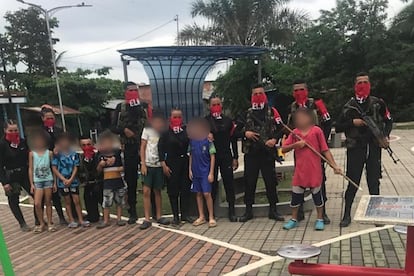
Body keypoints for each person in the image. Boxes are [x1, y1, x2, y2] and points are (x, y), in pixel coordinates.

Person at [336, 72, 393, 227]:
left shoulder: (378, 103)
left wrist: (385, 136)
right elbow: (338, 126)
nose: (362, 85)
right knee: (353, 182)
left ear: (370, 84)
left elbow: (388, 120)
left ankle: (376, 215)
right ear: (355, 86)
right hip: (355, 149)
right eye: (359, 82)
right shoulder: (349, 106)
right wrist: (352, 123)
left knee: (374, 181)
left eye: (365, 82)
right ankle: (346, 214)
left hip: (374, 147)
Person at [282, 109, 341, 231]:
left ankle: (319, 219)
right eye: (298, 118)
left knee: (317, 197)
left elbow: (325, 150)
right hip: (300, 172)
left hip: (314, 171)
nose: (300, 120)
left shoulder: (317, 131)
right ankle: (294, 219)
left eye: (302, 117)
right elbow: (284, 149)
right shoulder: (295, 133)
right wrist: (296, 145)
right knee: (295, 198)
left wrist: (334, 165)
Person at [287, 80, 332, 224]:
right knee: (300, 180)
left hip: (316, 150)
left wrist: (320, 142)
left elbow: (328, 122)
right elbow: (289, 126)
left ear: (306, 90)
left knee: (319, 182)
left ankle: (322, 214)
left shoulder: (316, 104)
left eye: (301, 89)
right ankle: (298, 213)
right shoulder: (293, 107)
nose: (298, 93)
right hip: (299, 150)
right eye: (296, 90)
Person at [239, 84, 285, 222]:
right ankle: (248, 211)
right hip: (251, 154)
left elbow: (281, 128)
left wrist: (274, 140)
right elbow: (236, 130)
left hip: (267, 153)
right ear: (251, 96)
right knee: (250, 182)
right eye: (255, 94)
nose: (258, 96)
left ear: (264, 95)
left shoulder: (272, 111)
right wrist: (245, 133)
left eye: (260, 93)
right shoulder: (246, 113)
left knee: (270, 182)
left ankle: (273, 210)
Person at [112, 82, 147, 224]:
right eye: (130, 90)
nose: (133, 92)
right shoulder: (121, 107)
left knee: (148, 178)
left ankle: (151, 212)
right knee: (131, 179)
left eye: (135, 90)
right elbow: (113, 126)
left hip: (143, 146)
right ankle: (132, 210)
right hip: (129, 147)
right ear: (125, 92)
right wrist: (124, 131)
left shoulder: (142, 107)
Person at [0, 120, 38, 231]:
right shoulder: (2, 145)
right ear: (5, 130)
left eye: (15, 130)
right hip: (10, 176)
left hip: (25, 173)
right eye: (10, 130)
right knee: (13, 200)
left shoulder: (22, 142)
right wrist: (4, 182)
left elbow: (29, 158)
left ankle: (38, 219)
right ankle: (22, 223)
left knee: (37, 195)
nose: (13, 132)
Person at [205, 96, 239, 222]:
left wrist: (235, 157)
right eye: (213, 104)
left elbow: (233, 140)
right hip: (211, 157)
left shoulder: (228, 121)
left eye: (218, 104)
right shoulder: (206, 121)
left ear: (222, 105)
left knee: (229, 183)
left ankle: (232, 212)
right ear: (209, 106)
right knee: (212, 184)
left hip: (226, 155)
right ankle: (211, 213)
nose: (216, 106)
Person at [158, 108, 193, 225]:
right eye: (175, 117)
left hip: (184, 162)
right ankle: (175, 216)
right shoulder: (165, 133)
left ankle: (185, 214)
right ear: (170, 119)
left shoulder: (185, 131)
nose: (177, 119)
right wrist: (163, 164)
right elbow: (160, 148)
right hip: (171, 164)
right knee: (173, 190)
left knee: (185, 189)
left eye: (179, 117)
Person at [52, 133, 90, 228]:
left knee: (77, 200)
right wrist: (63, 179)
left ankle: (81, 219)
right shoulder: (57, 154)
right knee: (67, 201)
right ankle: (71, 220)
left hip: (73, 181)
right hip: (62, 182)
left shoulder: (73, 153)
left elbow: (75, 167)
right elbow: (54, 168)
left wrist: (71, 178)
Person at [140, 113, 170, 230]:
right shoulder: (147, 130)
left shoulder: (163, 131)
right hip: (148, 164)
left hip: (158, 164)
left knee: (157, 191)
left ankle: (159, 215)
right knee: (146, 191)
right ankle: (147, 218)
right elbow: (142, 146)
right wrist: (143, 163)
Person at [188, 118, 217, 228]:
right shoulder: (192, 141)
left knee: (206, 194)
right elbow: (190, 155)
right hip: (196, 171)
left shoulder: (208, 141)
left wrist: (211, 173)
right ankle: (201, 216)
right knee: (198, 193)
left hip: (205, 171)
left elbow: (212, 156)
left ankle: (211, 217)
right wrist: (190, 169)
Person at [40, 106, 67, 225]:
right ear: (42, 118)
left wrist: (59, 147)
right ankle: (42, 219)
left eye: (52, 117)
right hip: (45, 164)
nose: (50, 119)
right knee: (49, 193)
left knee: (63, 191)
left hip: (60, 162)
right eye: (47, 118)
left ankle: (67, 216)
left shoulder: (59, 130)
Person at [95, 130, 127, 229]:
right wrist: (101, 165)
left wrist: (118, 168)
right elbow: (98, 170)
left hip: (118, 180)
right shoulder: (100, 155)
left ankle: (119, 218)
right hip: (107, 182)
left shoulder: (118, 153)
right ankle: (106, 220)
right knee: (106, 201)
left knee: (119, 200)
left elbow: (124, 166)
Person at [28, 129, 57, 233]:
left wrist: (54, 182)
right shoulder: (32, 154)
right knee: (37, 203)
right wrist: (31, 183)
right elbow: (31, 168)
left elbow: (53, 167)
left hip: (48, 179)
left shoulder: (49, 153)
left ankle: (50, 222)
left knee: (48, 201)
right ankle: (41, 223)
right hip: (37, 180)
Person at [78, 136, 102, 223]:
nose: (86, 147)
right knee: (93, 218)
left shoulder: (98, 156)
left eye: (88, 144)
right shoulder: (79, 158)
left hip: (99, 184)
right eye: (84, 145)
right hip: (87, 185)